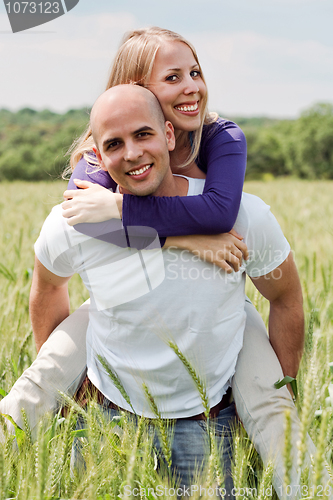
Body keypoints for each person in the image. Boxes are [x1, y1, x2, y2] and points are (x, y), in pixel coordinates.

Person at [31, 85, 303, 496]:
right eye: (114, 144)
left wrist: (267, 394)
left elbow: (286, 298)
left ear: (170, 136)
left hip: (210, 431)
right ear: (98, 158)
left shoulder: (245, 218)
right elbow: (48, 288)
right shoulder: (77, 221)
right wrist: (72, 392)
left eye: (144, 135)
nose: (133, 153)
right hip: (105, 427)